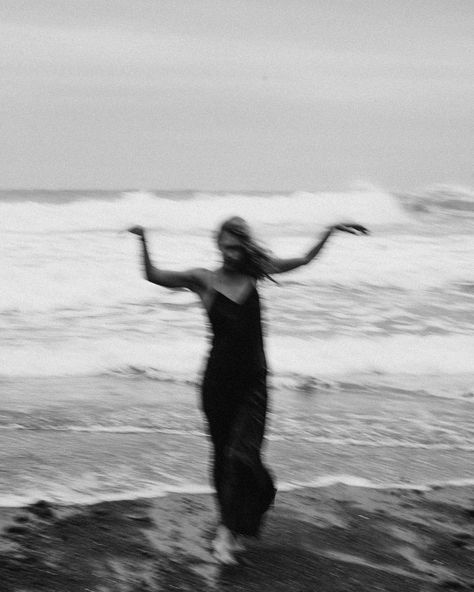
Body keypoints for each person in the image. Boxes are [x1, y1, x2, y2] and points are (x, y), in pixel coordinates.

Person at [129, 217, 368, 564]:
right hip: (216, 384)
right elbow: (154, 275)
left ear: (244, 247)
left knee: (243, 455)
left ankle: (230, 529)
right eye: (223, 246)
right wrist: (142, 240)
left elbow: (302, 261)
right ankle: (229, 529)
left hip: (253, 383)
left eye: (235, 247)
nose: (228, 253)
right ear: (218, 246)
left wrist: (329, 233)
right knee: (223, 457)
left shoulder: (256, 273)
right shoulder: (204, 281)